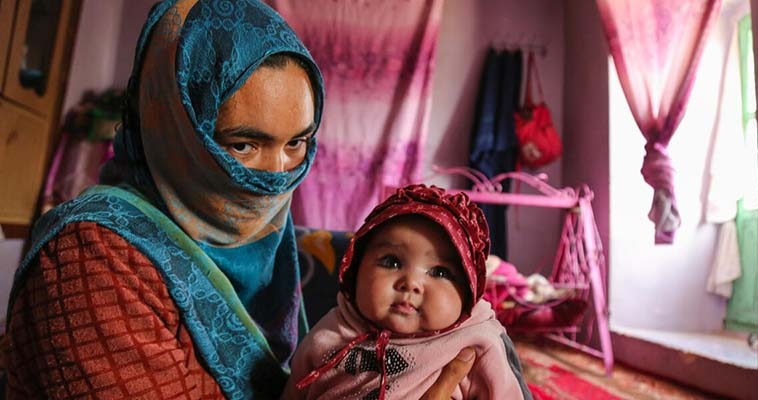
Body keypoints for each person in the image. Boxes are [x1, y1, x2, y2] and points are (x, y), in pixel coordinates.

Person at [0, 1, 474, 398]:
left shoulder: (259, 240)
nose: (275, 177)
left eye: (297, 143)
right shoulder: (90, 257)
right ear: (175, 129)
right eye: (242, 145)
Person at [282, 184, 533, 400]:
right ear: (354, 268)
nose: (411, 283)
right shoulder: (330, 332)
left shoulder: (476, 343)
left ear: (469, 292)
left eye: (440, 272)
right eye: (391, 262)